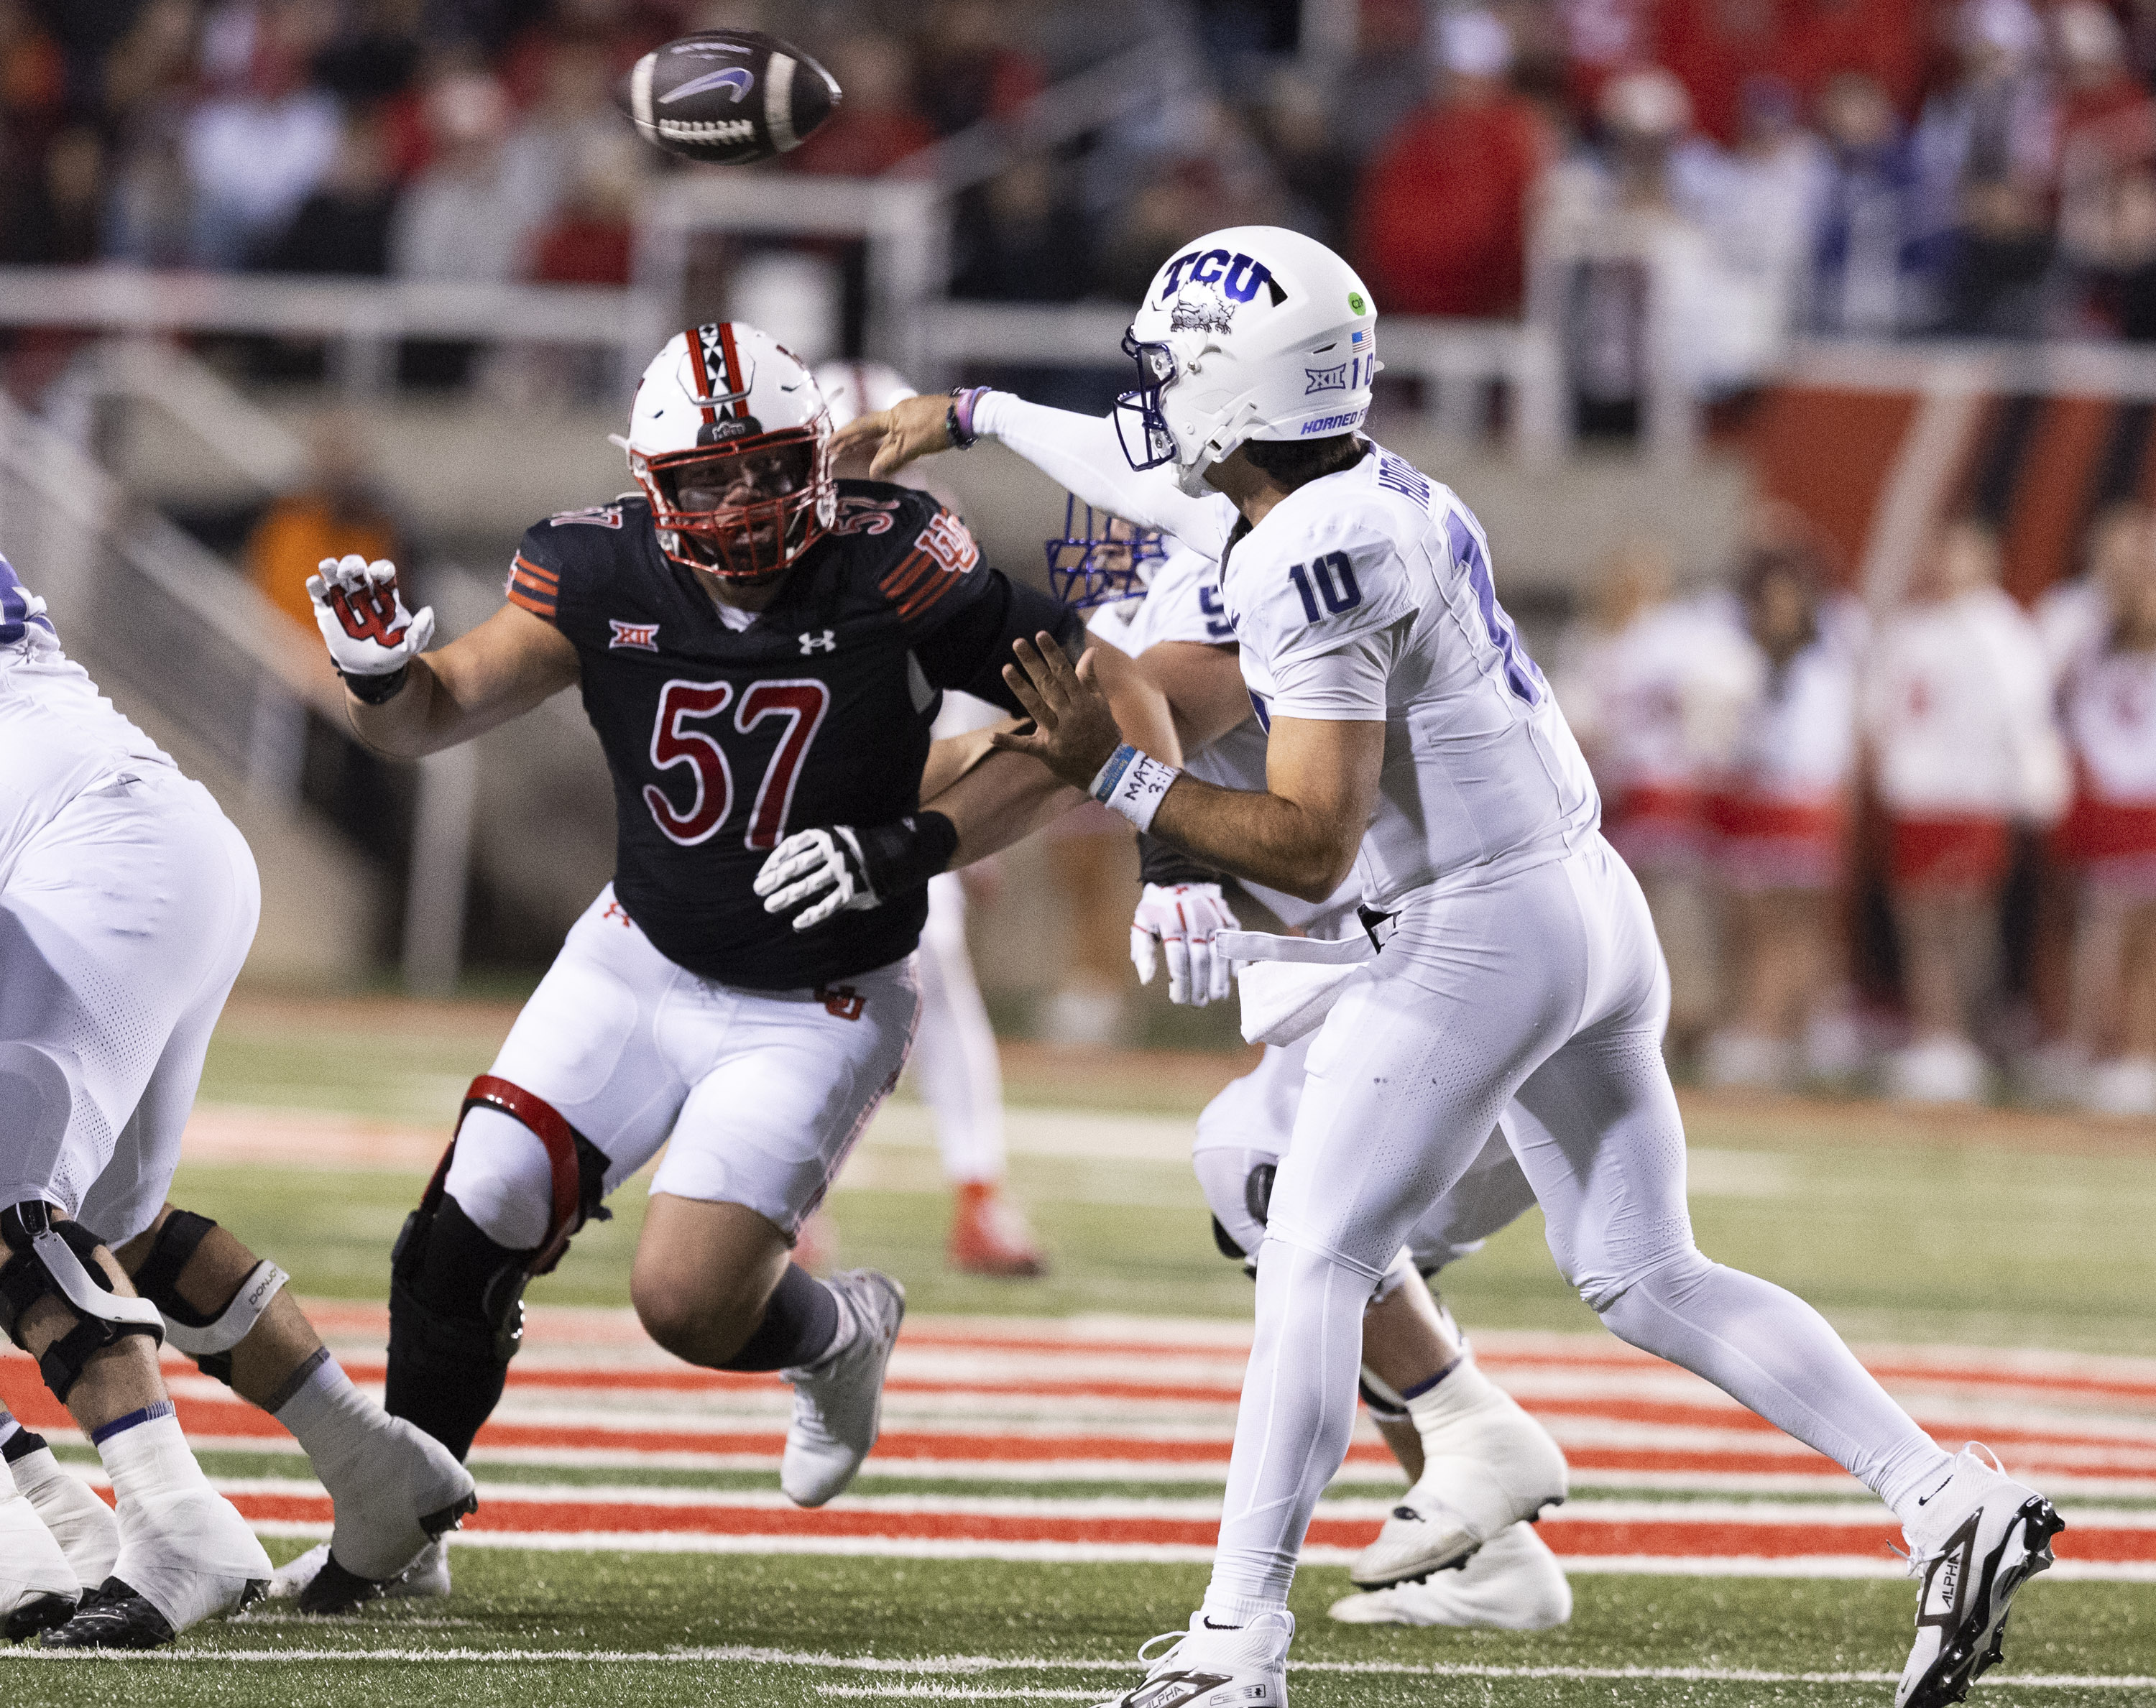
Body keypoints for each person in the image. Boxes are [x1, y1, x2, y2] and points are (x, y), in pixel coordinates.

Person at [844, 226, 2063, 1708]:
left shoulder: (1306, 553)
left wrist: (1124, 786)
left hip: (1481, 922)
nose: (1155, 399)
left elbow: (1302, 840)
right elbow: (1133, 468)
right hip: (1580, 896)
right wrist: (963, 417)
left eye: (1177, 372)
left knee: (1313, 1252)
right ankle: (1946, 1495)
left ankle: (1237, 1650)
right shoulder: (1353, 484)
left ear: (1239, 395)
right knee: (1638, 1266)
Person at [298, 324, 1171, 1608]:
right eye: (704, 481)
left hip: (821, 999)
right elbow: (434, 715)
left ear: (818, 457)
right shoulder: (593, 566)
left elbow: (1120, 717)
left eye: (766, 469)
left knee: (687, 1304)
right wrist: (379, 678)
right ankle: (402, 1530)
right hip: (639, 952)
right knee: (465, 1217)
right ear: (651, 482)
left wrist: (916, 842)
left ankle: (839, 1332)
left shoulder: (895, 566)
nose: (741, 505)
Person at [1055, 503, 1569, 1631]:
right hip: (1501, 947)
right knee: (1326, 1253)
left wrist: (1157, 837)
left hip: (1454, 959)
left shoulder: (1238, 582)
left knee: (1259, 1174)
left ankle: (1469, 1432)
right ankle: (1490, 1542)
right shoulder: (1332, 529)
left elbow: (1162, 705)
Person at [0, 555, 472, 1645]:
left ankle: (169, 1520)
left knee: (10, 1205)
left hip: (90, 850)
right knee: (113, 1227)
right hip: (154, 833)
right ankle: (371, 1461)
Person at [816, 359, 1046, 1277]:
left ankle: (978, 1190)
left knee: (935, 972)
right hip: (791, 784)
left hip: (909, 782)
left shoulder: (935, 526)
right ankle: (778, 1194)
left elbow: (972, 664)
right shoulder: (777, 525)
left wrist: (970, 802)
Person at [1863, 517, 2068, 1102]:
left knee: (1966, 921)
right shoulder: (1909, 629)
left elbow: (2025, 715)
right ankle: (1937, 1035)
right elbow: (1880, 711)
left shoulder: (2001, 630)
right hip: (1917, 797)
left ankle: (1972, 1033)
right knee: (1918, 920)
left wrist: (2028, 780)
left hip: (1973, 796)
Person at [1701, 542, 1858, 1089]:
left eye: (1788, 603)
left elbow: (1822, 748)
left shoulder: (1824, 665)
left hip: (1799, 805)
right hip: (1755, 804)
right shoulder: (1745, 663)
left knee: (1792, 926)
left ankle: (1782, 1030)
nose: (1777, 614)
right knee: (1748, 924)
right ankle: (1760, 1025)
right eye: (1768, 604)